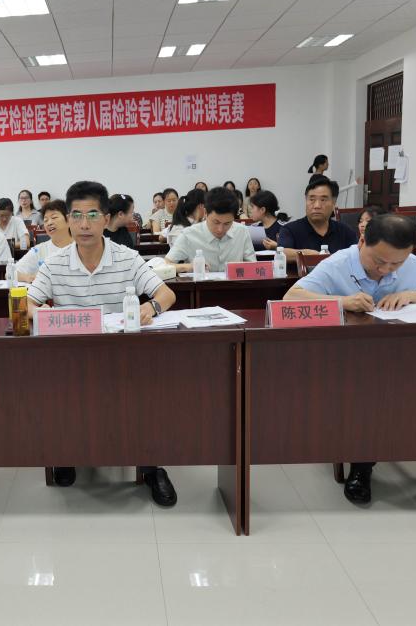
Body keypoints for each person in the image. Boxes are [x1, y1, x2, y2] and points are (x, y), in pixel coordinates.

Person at [282, 214, 416, 514]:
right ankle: (362, 466)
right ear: (362, 241)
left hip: (407, 358)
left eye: (396, 264)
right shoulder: (338, 264)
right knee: (369, 389)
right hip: (353, 362)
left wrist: (409, 295)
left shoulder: (412, 264)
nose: (385, 269)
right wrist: (343, 301)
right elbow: (290, 297)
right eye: (378, 261)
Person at [27, 181, 178, 507]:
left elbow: (167, 294)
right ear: (68, 219)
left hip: (122, 355)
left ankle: (151, 466)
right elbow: (28, 305)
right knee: (60, 391)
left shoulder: (127, 257)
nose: (84, 224)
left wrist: (151, 307)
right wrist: (45, 314)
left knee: (148, 391)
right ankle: (65, 453)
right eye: (77, 216)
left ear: (106, 219)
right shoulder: (54, 263)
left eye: (92, 215)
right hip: (70, 358)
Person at [165, 187, 254, 273]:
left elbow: (253, 267)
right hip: (200, 283)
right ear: (205, 212)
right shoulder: (189, 234)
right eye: (216, 222)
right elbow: (165, 264)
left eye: (227, 223)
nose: (220, 229)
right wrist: (188, 267)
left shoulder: (242, 232)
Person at [277, 176, 358, 260]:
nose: (317, 206)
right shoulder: (290, 230)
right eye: (312, 199)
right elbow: (282, 253)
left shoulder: (346, 231)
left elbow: (357, 255)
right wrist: (309, 254)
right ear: (306, 201)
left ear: (333, 204)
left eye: (323, 200)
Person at [17, 200, 72, 283]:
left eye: (54, 218)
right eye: (45, 220)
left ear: (68, 220)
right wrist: (29, 277)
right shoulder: (39, 250)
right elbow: (11, 273)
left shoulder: (83, 247)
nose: (49, 223)